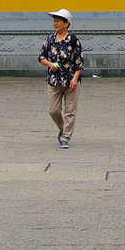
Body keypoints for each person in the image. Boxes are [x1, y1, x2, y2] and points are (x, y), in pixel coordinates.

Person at [38, 8, 83, 149]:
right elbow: (41, 57)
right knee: (53, 110)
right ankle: (63, 129)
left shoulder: (73, 40)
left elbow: (79, 62)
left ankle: (65, 138)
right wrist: (50, 65)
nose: (55, 24)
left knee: (70, 111)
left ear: (66, 23)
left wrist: (75, 78)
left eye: (58, 21)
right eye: (54, 21)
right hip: (54, 81)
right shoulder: (50, 39)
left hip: (70, 81)